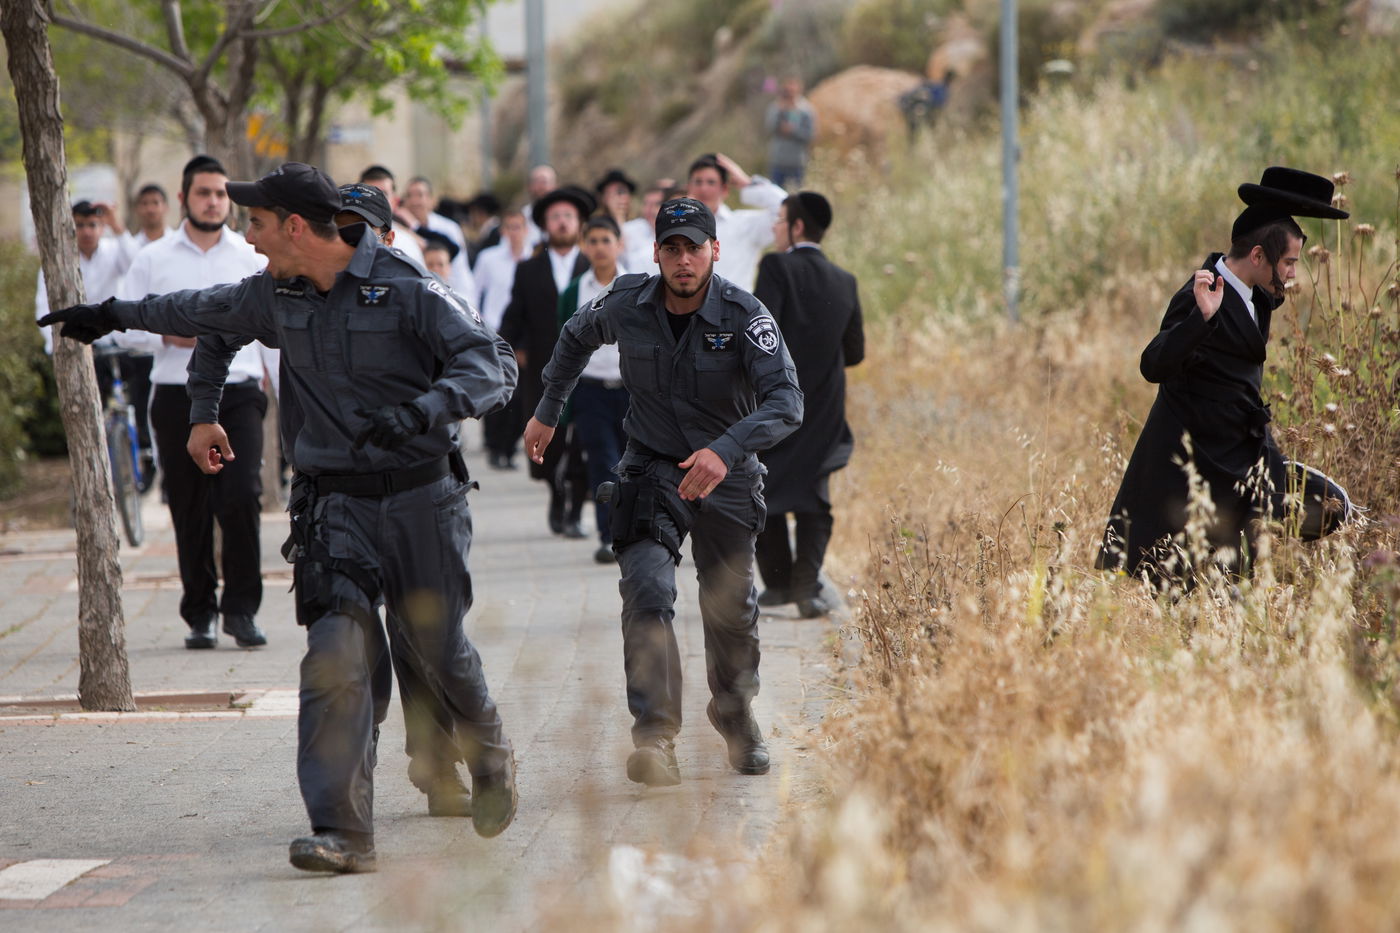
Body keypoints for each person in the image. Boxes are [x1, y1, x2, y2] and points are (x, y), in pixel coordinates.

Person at [40, 161, 519, 872]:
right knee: (334, 657)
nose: (249, 236)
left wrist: (424, 410)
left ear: (296, 226)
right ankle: (342, 831)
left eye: (258, 223)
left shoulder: (408, 288)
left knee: (439, 648)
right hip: (334, 505)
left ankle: (490, 755)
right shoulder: (276, 290)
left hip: (422, 500)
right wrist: (111, 315)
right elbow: (201, 311)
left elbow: (495, 364)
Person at [522, 197, 803, 786]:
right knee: (647, 591)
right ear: (655, 253)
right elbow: (574, 336)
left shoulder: (744, 315)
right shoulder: (627, 303)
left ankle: (734, 711)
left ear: (714, 250)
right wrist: (549, 408)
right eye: (671, 249)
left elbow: (787, 402)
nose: (683, 260)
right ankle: (655, 735)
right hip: (652, 468)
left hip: (727, 474)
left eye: (693, 248)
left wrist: (726, 449)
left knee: (729, 610)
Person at [1096, 167, 1355, 587]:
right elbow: (1153, 364)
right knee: (1190, 588)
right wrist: (1200, 319)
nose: (1293, 273)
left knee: (1331, 506)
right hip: (1192, 471)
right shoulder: (1199, 297)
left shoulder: (1259, 296)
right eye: (1289, 263)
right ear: (1258, 257)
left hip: (1239, 459)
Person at [113, 155, 275, 650]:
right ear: (184, 198)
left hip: (239, 392)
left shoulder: (250, 255)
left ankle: (242, 611)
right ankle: (200, 613)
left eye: (221, 194)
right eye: (204, 193)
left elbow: (276, 330)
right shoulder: (152, 258)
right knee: (189, 504)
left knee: (241, 497)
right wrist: (168, 334)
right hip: (174, 394)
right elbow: (124, 327)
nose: (213, 202)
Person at [752, 192, 864, 617]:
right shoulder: (845, 280)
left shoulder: (776, 267)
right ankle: (804, 586)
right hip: (826, 403)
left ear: (797, 227)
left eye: (780, 220)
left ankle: (779, 582)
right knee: (815, 493)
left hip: (778, 398)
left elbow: (761, 334)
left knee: (764, 485)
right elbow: (855, 352)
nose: (775, 228)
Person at [499, 185, 593, 534]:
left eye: (569, 216)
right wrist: (512, 348)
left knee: (584, 441)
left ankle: (575, 510)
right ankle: (556, 492)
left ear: (579, 223)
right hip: (542, 368)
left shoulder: (593, 265)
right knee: (547, 441)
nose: (563, 222)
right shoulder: (528, 269)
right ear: (544, 225)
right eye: (555, 217)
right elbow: (514, 316)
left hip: (589, 370)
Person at [557, 215, 630, 563]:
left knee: (634, 465)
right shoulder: (574, 291)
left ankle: (637, 534)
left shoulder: (637, 286)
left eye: (606, 240)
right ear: (584, 246)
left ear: (619, 244)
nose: (600, 248)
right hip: (591, 391)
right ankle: (608, 535)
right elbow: (564, 346)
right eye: (593, 241)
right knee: (603, 463)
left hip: (632, 391)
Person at [475, 209, 532, 470]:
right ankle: (494, 445)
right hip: (493, 331)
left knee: (520, 394)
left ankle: (509, 447)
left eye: (518, 227)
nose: (514, 232)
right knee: (495, 388)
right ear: (503, 231)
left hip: (523, 334)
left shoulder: (533, 258)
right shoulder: (489, 258)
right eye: (509, 227)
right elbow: (475, 291)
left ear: (526, 230)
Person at [685, 153, 786, 289]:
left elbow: (784, 207)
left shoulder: (745, 224)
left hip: (735, 302)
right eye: (698, 182)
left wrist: (748, 184)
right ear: (689, 187)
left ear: (725, 189)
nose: (704, 188)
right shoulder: (677, 227)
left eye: (711, 182)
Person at [402, 175, 477, 298]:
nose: (414, 201)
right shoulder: (399, 230)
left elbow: (460, 271)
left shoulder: (449, 228)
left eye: (420, 195)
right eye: (409, 196)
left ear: (431, 200)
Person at [358, 164, 426, 265]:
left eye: (384, 194)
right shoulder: (344, 240)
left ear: (394, 200)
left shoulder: (408, 244)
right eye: (371, 193)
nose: (377, 200)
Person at [764, 75, 816, 190]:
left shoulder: (805, 109)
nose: (790, 93)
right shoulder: (776, 107)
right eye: (787, 89)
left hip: (796, 163)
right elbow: (769, 128)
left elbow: (810, 135)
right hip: (778, 161)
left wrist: (793, 131)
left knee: (796, 196)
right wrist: (780, 111)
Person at [622, 180, 677, 275]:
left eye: (656, 204)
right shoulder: (628, 230)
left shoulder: (676, 231)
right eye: (646, 204)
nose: (649, 210)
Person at [522, 163, 557, 247]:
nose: (541, 187)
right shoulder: (523, 215)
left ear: (554, 186)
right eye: (536, 182)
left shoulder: (563, 215)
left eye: (544, 182)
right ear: (530, 186)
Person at [464, 192, 502, 267]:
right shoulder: (489, 231)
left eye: (472, 212)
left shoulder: (496, 234)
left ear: (480, 213)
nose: (471, 217)